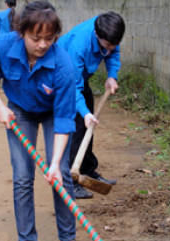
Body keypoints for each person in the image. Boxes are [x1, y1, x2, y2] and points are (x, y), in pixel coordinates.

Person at [0, 0, 78, 241]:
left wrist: (55, 162)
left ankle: (67, 239)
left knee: (62, 174)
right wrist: (0, 106)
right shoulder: (2, 46)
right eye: (36, 38)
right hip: (19, 111)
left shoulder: (63, 66)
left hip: (52, 113)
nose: (43, 44)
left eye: (49, 38)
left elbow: (65, 119)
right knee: (23, 176)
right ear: (21, 32)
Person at [57, 11, 125, 199]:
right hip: (63, 77)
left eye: (114, 44)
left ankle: (87, 169)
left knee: (89, 121)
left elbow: (113, 53)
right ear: (97, 36)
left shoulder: (109, 32)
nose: (111, 49)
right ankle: (71, 179)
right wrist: (84, 113)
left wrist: (112, 75)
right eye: (107, 45)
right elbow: (73, 87)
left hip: (81, 77)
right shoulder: (79, 46)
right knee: (78, 123)